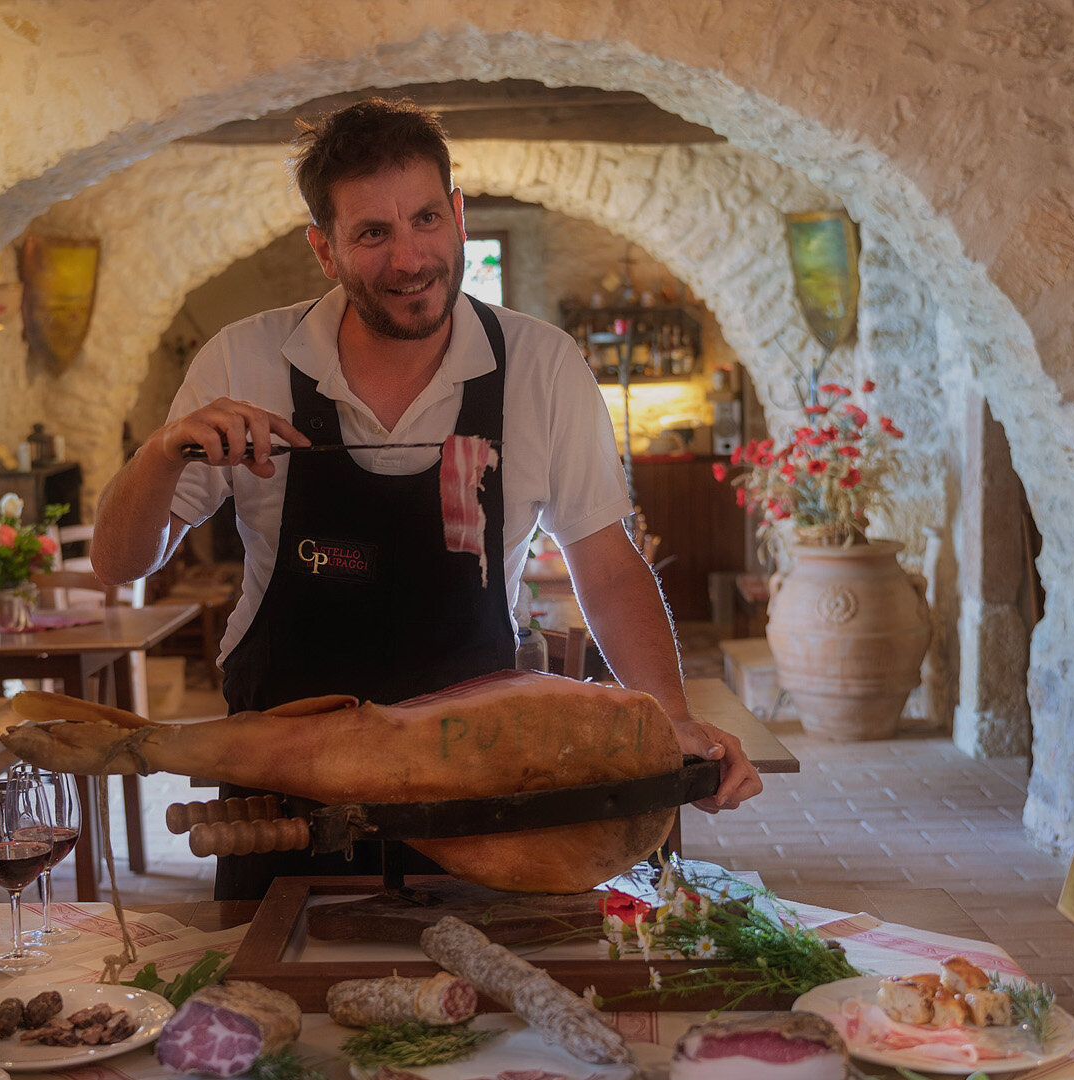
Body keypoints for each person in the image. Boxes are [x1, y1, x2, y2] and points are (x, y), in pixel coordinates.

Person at [91, 98, 763, 898]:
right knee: (275, 1001)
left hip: (484, 764)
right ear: (324, 249)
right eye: (372, 234)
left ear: (458, 213)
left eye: (425, 220)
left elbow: (608, 567)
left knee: (483, 1007)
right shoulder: (244, 359)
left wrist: (671, 716)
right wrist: (162, 456)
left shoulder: (541, 367)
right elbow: (117, 561)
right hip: (285, 765)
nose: (410, 258)